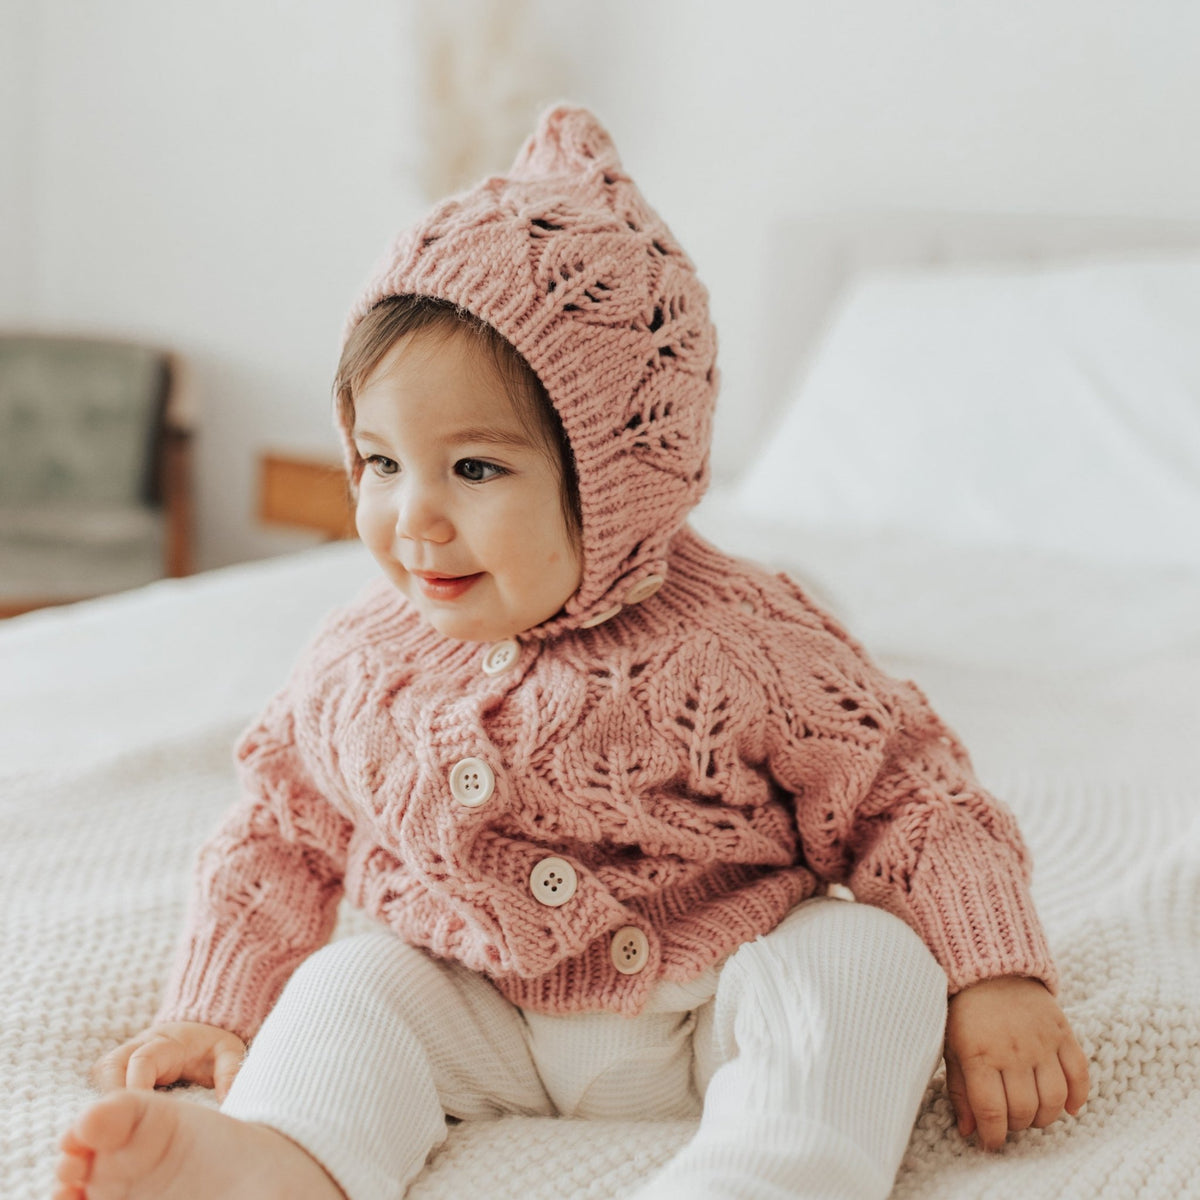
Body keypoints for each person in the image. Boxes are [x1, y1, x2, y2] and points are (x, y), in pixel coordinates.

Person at [55, 105, 1089, 1200]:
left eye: (475, 470)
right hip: (480, 1003)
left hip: (711, 1000)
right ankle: (286, 1156)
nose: (413, 517)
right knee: (354, 982)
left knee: (867, 962)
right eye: (381, 462)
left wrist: (996, 973)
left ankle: (767, 1172)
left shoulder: (746, 638)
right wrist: (214, 1008)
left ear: (616, 481)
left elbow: (911, 793)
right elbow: (278, 832)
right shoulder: (359, 663)